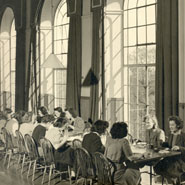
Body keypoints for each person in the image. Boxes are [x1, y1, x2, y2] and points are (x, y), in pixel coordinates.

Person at [154, 116, 185, 184]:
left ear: (178, 125)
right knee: (157, 167)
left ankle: (172, 180)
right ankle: (171, 180)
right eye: (170, 125)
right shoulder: (171, 134)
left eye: (172, 125)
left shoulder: (183, 136)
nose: (170, 127)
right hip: (170, 158)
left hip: (180, 161)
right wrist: (162, 144)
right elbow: (169, 145)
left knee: (169, 168)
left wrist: (179, 148)